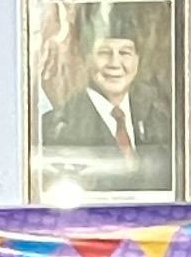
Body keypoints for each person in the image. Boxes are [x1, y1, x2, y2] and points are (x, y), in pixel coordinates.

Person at [38, 23, 172, 194]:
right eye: (104, 53)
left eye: (125, 53)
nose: (115, 63)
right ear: (86, 59)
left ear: (137, 60)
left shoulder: (163, 122)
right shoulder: (53, 127)